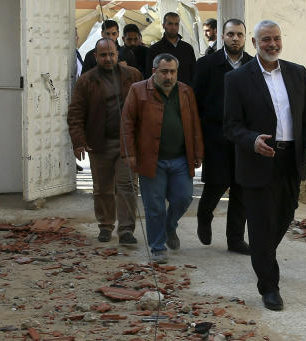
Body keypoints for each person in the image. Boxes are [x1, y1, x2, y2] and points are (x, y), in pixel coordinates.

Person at [224, 20, 306, 311]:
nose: (272, 44)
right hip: (258, 160)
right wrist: (252, 140)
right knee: (261, 225)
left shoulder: (298, 73)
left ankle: (264, 257)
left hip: (290, 160)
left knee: (283, 216)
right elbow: (230, 126)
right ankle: (269, 287)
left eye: (276, 38)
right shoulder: (238, 79)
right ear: (254, 43)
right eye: (265, 39)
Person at [121, 53, 204, 263]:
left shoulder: (185, 91)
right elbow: (127, 124)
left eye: (173, 72)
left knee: (184, 197)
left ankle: (170, 226)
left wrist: (197, 152)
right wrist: (129, 153)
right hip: (151, 159)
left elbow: (194, 123)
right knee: (154, 205)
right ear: (154, 71)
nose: (169, 76)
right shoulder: (138, 90)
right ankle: (157, 246)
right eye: (164, 71)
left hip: (180, 159)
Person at [68, 38, 143, 244]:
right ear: (95, 57)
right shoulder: (87, 80)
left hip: (127, 144)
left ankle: (126, 230)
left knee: (128, 187)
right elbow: (75, 113)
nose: (108, 58)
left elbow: (144, 106)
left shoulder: (133, 75)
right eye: (103, 55)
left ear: (118, 54)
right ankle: (105, 225)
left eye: (111, 54)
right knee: (102, 188)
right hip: (99, 143)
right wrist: (78, 141)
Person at [192, 18, 251, 255]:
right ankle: (204, 216)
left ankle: (235, 240)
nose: (235, 38)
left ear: (245, 38)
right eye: (230, 34)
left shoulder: (252, 65)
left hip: (245, 140)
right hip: (216, 137)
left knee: (241, 190)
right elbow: (194, 102)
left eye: (239, 34)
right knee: (216, 184)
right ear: (222, 37)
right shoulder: (207, 64)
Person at [145, 12, 197, 86]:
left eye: (176, 24)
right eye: (170, 24)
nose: (173, 27)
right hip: (161, 93)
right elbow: (149, 76)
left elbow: (194, 74)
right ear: (163, 25)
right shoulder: (154, 49)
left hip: (183, 93)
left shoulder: (187, 48)